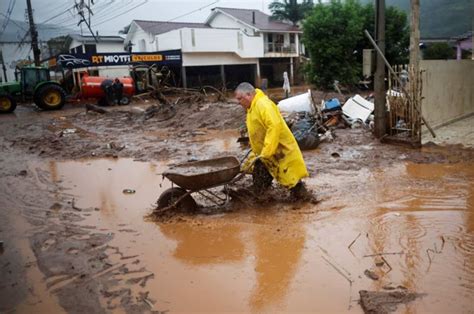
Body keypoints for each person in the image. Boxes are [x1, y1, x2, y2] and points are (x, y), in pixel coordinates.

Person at [234, 82, 311, 200]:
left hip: (279, 150)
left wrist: (267, 150)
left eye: (240, 99)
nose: (238, 102)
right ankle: (261, 199)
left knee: (292, 180)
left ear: (248, 95)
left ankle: (306, 201)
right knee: (259, 176)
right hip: (264, 154)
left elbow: (274, 126)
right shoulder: (252, 108)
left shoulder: (263, 105)